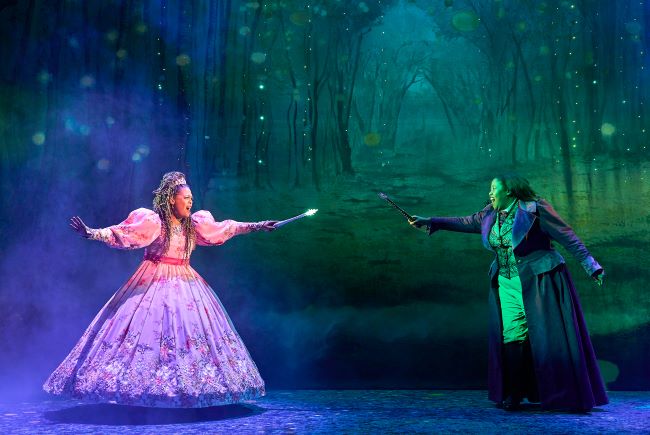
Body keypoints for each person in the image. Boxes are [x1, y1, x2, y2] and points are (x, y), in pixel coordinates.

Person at [44, 171, 277, 408]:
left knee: (190, 337)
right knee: (147, 334)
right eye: (185, 197)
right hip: (152, 282)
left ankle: (189, 388)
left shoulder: (194, 226)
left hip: (188, 285)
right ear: (170, 199)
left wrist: (257, 226)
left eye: (191, 199)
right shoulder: (154, 223)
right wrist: (92, 233)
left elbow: (226, 228)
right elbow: (124, 234)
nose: (190, 202)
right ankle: (138, 388)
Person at [410, 174, 608, 412]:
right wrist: (431, 221)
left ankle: (562, 394)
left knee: (545, 336)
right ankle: (514, 394)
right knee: (512, 335)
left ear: (510, 191)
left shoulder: (535, 208)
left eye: (495, 188)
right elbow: (465, 221)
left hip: (539, 279)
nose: (491, 192)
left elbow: (567, 236)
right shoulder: (490, 214)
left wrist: (591, 265)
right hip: (507, 281)